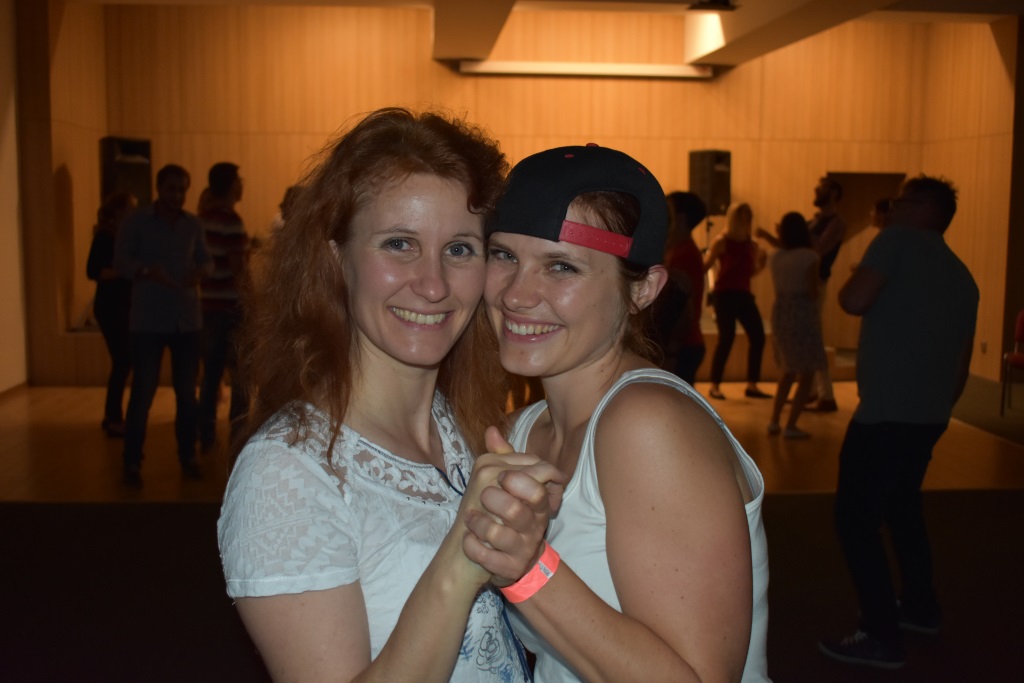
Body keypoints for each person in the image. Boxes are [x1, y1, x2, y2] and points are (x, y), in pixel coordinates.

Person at [216, 108, 565, 682]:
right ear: (336, 259)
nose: (433, 284)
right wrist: (465, 553)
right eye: (399, 243)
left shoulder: (462, 425)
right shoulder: (286, 474)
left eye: (459, 249)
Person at [481, 144, 770, 682]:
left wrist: (526, 570)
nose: (516, 295)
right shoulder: (523, 430)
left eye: (561, 266)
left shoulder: (647, 424)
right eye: (504, 256)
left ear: (643, 289)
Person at [818, 175, 978, 670]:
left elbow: (853, 300)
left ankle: (880, 633)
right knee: (904, 509)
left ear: (924, 208)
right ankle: (921, 608)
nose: (893, 209)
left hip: (886, 412)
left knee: (856, 519)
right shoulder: (961, 274)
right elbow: (962, 362)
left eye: (903, 201)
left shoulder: (896, 242)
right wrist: (940, 407)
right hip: (930, 414)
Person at [114, 164, 213, 488]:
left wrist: (201, 272)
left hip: (186, 319)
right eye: (172, 189)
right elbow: (120, 261)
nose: (177, 195)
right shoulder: (137, 221)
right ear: (158, 188)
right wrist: (146, 271)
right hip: (148, 320)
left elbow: (206, 260)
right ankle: (132, 461)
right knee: (143, 392)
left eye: (182, 189)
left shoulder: (193, 224)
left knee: (187, 394)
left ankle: (188, 456)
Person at [198, 162, 251, 451]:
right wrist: (251, 301)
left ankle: (205, 435)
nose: (242, 185)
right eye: (239, 180)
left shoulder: (201, 219)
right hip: (230, 307)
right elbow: (238, 269)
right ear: (231, 184)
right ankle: (238, 437)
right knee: (241, 376)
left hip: (208, 305)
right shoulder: (230, 220)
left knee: (211, 375)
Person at [765, 212, 828, 439]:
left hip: (781, 311)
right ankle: (791, 424)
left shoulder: (776, 257)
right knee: (807, 372)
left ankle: (774, 420)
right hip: (802, 313)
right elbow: (812, 291)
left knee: (788, 370)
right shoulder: (809, 256)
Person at [704, 202, 770, 400]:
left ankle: (752, 384)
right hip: (724, 295)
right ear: (735, 217)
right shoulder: (722, 241)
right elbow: (706, 266)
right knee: (727, 338)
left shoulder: (751, 245)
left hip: (743, 294)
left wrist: (761, 265)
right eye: (744, 215)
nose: (748, 219)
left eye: (749, 215)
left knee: (758, 336)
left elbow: (748, 273)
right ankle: (714, 385)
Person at [86, 191, 137, 437]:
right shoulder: (105, 236)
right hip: (110, 307)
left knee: (123, 361)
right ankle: (113, 417)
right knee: (122, 361)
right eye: (130, 208)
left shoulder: (120, 235)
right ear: (119, 211)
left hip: (120, 306)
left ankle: (113, 416)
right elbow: (93, 271)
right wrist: (125, 270)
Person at [656, 191, 708, 385]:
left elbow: (678, 309)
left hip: (680, 348)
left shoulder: (685, 254)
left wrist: (671, 352)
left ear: (680, 218)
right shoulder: (679, 250)